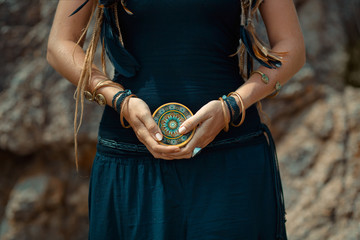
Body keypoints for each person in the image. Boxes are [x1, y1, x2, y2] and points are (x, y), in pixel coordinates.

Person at [47, 0, 305, 239]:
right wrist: (119, 100)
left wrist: (232, 106)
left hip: (232, 162)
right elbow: (59, 45)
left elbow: (291, 47)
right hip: (132, 161)